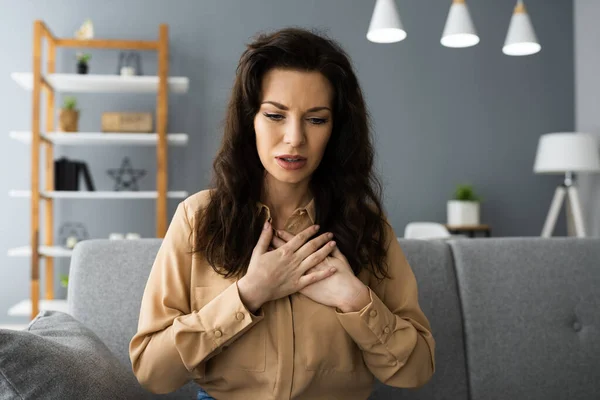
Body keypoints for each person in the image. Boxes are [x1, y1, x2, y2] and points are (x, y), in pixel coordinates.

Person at [129, 27, 435, 400]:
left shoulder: (364, 224)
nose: (294, 138)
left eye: (316, 119)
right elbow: (152, 373)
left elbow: (417, 370)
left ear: (336, 130)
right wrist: (247, 295)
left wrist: (355, 300)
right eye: (275, 115)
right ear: (250, 121)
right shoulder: (197, 219)